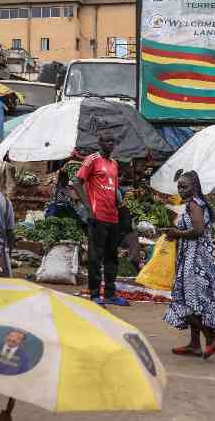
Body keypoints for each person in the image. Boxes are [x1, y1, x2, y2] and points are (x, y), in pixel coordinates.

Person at [164, 171, 215, 359]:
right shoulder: (193, 204)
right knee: (194, 301)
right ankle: (194, 345)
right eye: (179, 186)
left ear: (194, 187)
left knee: (186, 302)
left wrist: (176, 233)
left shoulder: (194, 204)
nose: (181, 190)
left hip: (195, 261)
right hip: (194, 258)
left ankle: (211, 336)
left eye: (184, 186)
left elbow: (197, 230)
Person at [72, 131, 129, 307]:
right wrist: (88, 207)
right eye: (107, 141)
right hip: (97, 215)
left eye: (113, 141)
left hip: (112, 217)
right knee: (95, 257)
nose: (110, 144)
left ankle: (110, 294)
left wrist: (121, 206)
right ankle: (95, 294)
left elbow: (115, 189)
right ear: (100, 143)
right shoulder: (92, 160)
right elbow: (76, 182)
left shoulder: (114, 164)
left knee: (112, 257)